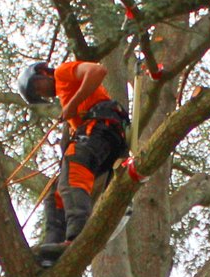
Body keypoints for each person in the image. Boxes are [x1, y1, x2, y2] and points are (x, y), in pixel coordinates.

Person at [17, 60, 129, 256]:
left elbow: (98, 70)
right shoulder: (65, 96)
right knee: (57, 193)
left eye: (37, 86)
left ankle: (77, 237)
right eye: (38, 95)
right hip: (98, 137)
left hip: (101, 128)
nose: (42, 94)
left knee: (73, 170)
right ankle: (53, 246)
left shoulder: (62, 72)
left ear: (43, 72)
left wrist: (73, 104)